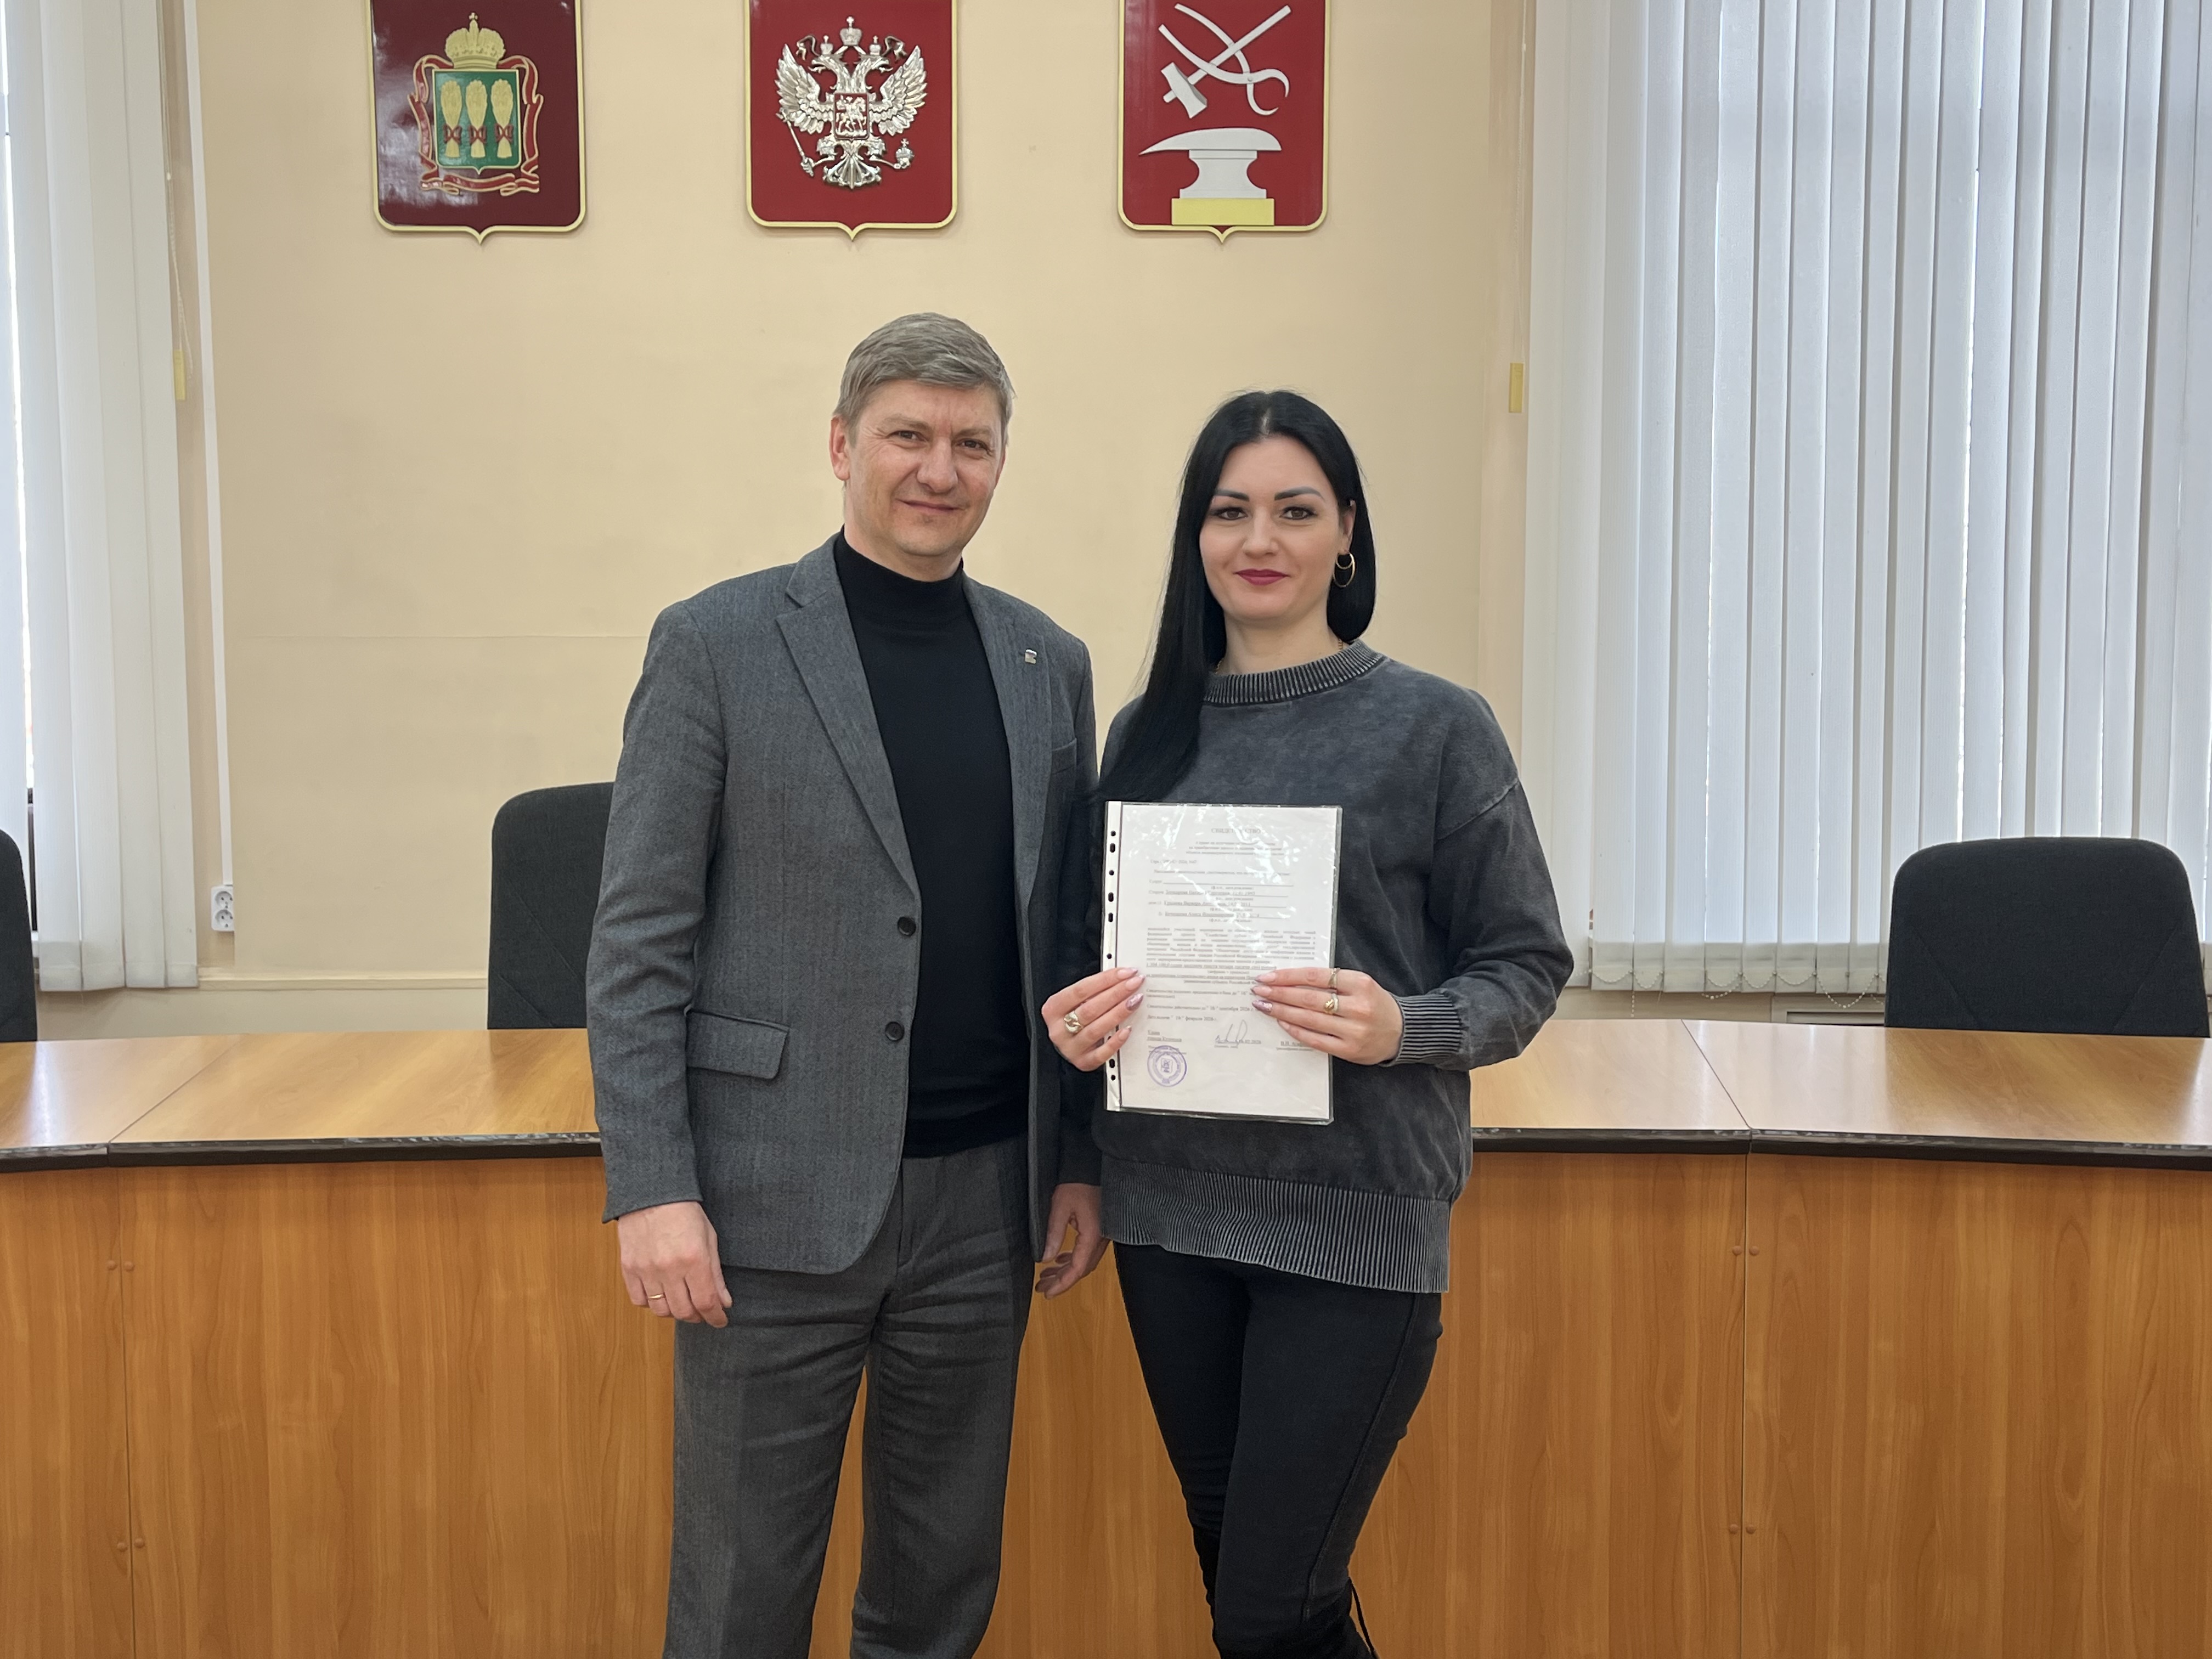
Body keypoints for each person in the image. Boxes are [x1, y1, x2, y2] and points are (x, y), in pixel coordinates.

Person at [588, 313, 1107, 1659]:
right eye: (907, 436)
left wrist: (1079, 1159)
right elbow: (637, 941)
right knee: (740, 1597)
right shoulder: (715, 643)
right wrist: (652, 1186)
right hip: (767, 1204)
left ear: (1001, 462)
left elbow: (1069, 940)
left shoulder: (1049, 664)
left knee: (939, 1592)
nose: (940, 469)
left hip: (984, 1204)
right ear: (841, 445)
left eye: (972, 444)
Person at [1044, 390, 1573, 1659]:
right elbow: (1088, 959)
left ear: (1348, 533)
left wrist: (1408, 1027)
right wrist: (1078, 1046)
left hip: (1355, 1223)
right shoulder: (1145, 734)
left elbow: (1526, 963)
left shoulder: (1436, 726)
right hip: (1170, 1217)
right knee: (1246, 1577)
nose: (1259, 540)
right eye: (1229, 512)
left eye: (1295, 510)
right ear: (1197, 537)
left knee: (1270, 1610)